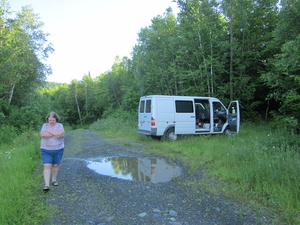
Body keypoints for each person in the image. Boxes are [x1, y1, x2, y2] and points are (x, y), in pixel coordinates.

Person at [40, 112, 65, 191]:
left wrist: (49, 132)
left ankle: (54, 180)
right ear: (47, 119)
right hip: (46, 149)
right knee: (47, 165)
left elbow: (61, 134)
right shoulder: (44, 125)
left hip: (58, 149)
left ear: (56, 119)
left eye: (53, 120)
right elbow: (42, 135)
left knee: (55, 165)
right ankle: (46, 185)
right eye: (50, 120)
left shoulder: (60, 125)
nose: (51, 121)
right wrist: (55, 132)